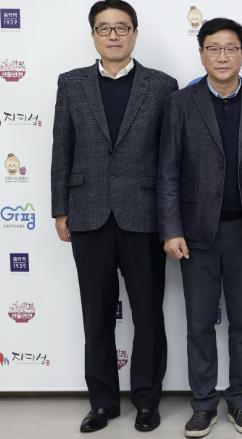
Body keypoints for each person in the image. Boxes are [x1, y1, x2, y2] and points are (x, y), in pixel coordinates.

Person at [50, 0, 177, 433]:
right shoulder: (71, 84)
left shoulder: (162, 85)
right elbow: (61, 148)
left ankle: (147, 401)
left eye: (122, 27)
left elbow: (169, 157)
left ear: (135, 33)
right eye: (104, 28)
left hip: (144, 215)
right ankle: (102, 403)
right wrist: (60, 208)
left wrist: (170, 216)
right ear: (93, 35)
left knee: (148, 314)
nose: (114, 35)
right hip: (88, 214)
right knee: (96, 315)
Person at [157, 17, 242, 438]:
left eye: (230, 49)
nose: (222, 56)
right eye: (213, 48)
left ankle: (241, 402)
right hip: (196, 234)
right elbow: (168, 170)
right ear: (201, 54)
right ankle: (203, 404)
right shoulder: (180, 104)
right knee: (199, 324)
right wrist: (171, 229)